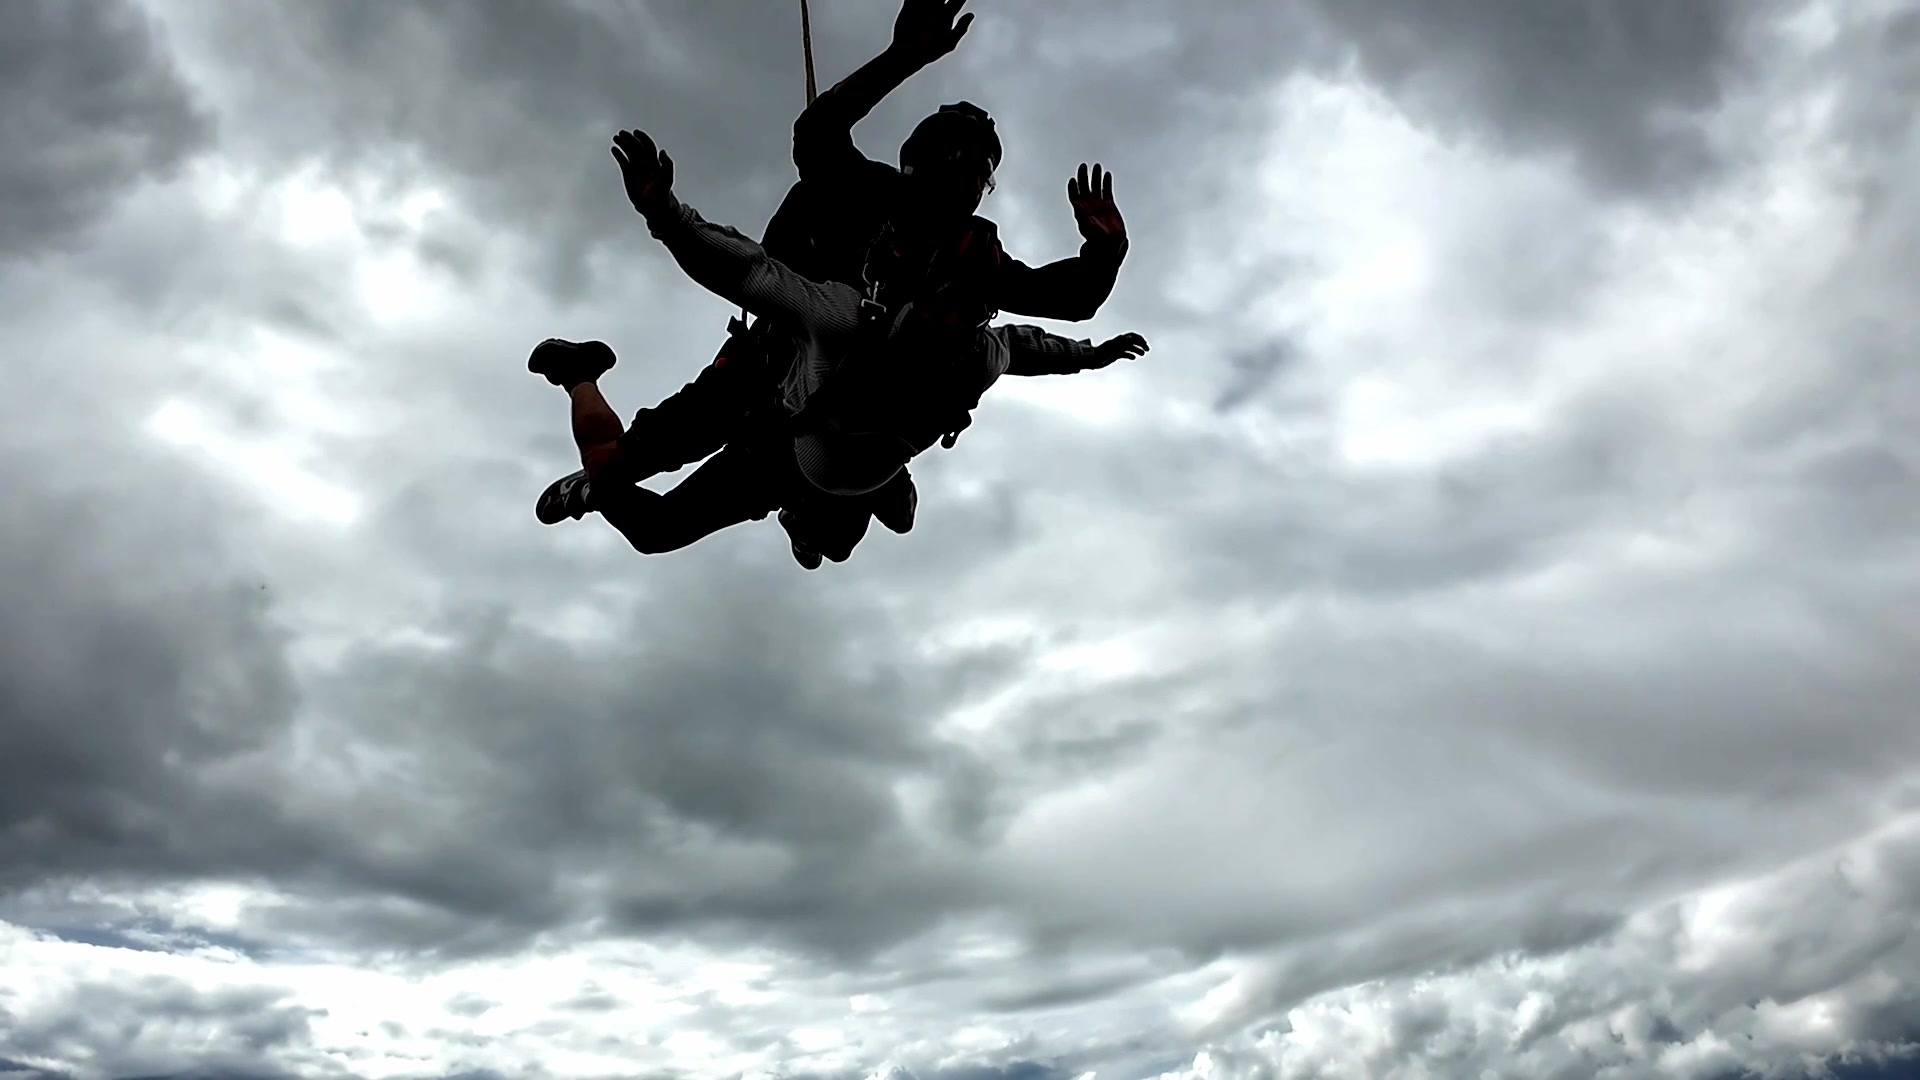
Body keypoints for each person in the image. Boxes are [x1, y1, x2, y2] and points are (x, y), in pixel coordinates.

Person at [537, 0, 1131, 563]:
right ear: (916, 161)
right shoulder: (866, 201)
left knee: (842, 524)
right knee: (621, 475)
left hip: (840, 416)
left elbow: (1062, 306)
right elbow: (810, 146)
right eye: (958, 159)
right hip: (766, 365)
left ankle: (823, 508)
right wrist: (903, 57)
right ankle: (582, 379)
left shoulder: (973, 266)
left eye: (982, 171)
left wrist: (1105, 259)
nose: (970, 178)